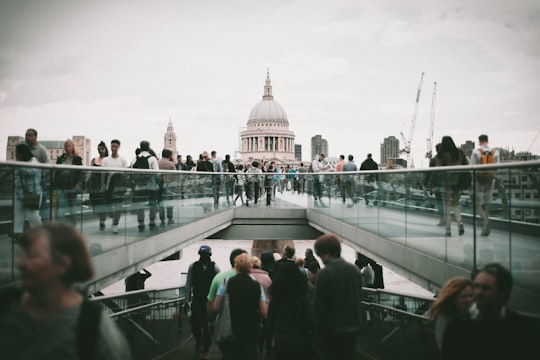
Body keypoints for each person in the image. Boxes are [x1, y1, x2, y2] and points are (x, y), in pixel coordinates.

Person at [0, 223, 130, 359]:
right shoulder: (6, 304)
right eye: (22, 255)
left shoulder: (93, 328)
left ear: (63, 264)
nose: (21, 263)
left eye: (33, 256)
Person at [442, 263, 537, 359]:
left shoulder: (520, 328)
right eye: (476, 286)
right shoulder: (457, 326)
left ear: (502, 292)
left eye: (486, 288)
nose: (479, 292)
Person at [313, 234, 364, 360]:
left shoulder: (325, 273)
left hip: (331, 330)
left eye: (320, 255)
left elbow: (318, 306)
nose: (321, 259)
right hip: (353, 328)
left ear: (326, 253)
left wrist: (314, 329)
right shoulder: (355, 271)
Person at [211, 253, 267, 360]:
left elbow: (216, 308)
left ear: (236, 266)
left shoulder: (226, 283)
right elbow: (264, 312)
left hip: (231, 329)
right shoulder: (257, 286)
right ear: (250, 267)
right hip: (251, 329)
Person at [268, 259, 317, 360]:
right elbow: (311, 321)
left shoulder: (276, 298)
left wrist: (268, 345)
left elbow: (270, 323)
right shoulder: (303, 296)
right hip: (300, 340)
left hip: (281, 340)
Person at [185, 245, 220, 359]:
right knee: (195, 324)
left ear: (210, 255)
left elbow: (220, 284)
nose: (203, 256)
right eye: (202, 254)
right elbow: (188, 284)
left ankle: (206, 348)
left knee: (207, 325)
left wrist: (218, 300)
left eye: (205, 254)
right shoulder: (193, 267)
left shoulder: (215, 267)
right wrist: (186, 300)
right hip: (197, 299)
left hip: (209, 300)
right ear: (199, 255)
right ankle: (198, 341)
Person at [429, 277, 473, 351]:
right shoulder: (445, 318)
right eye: (463, 296)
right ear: (453, 298)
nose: (469, 300)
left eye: (471, 295)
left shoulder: (468, 314)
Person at [437, 136, 468, 237]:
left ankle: (448, 230)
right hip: (458, 183)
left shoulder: (442, 154)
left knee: (446, 208)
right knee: (455, 205)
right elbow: (466, 166)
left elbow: (438, 169)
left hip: (445, 183)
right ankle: (460, 222)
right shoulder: (460, 153)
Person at [470, 134, 500, 236]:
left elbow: (472, 167)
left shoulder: (476, 151)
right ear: (487, 140)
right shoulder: (495, 152)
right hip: (491, 179)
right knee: (486, 204)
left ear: (479, 141)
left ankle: (485, 222)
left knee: (478, 205)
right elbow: (497, 167)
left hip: (479, 180)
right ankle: (484, 228)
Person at [13, 143, 42, 238]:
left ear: (22, 153)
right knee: (18, 217)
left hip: (31, 194)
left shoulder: (33, 161)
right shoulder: (19, 162)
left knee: (32, 217)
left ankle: (41, 236)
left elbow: (32, 171)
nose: (15, 154)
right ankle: (18, 235)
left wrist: (20, 167)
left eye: (17, 152)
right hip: (19, 194)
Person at [130, 140, 160, 232]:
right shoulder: (152, 159)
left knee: (140, 206)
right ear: (148, 147)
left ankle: (141, 225)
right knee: (152, 205)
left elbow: (131, 173)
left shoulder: (134, 159)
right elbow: (157, 174)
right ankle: (152, 223)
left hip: (138, 187)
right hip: (150, 186)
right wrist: (158, 184)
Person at [101, 139, 129, 234]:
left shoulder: (123, 160)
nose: (114, 148)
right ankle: (113, 219)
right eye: (112, 146)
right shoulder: (105, 160)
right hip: (109, 187)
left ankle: (114, 225)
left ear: (119, 147)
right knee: (109, 206)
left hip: (119, 188)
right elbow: (103, 174)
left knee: (119, 207)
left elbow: (126, 174)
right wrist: (103, 185)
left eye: (115, 147)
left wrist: (125, 186)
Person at [54, 139, 83, 225]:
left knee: (72, 207)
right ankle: (61, 226)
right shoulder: (60, 158)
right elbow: (56, 172)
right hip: (61, 186)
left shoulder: (77, 159)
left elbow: (80, 173)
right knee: (61, 207)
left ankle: (73, 226)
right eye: (66, 146)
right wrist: (55, 185)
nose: (67, 147)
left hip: (72, 186)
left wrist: (78, 184)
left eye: (69, 145)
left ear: (73, 147)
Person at [87, 141, 109, 230]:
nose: (100, 151)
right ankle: (101, 218)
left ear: (105, 149)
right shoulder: (93, 160)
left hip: (103, 186)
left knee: (102, 204)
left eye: (102, 149)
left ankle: (102, 221)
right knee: (95, 203)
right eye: (99, 149)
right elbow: (90, 173)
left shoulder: (108, 160)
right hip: (94, 186)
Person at [157, 149, 176, 226]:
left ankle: (162, 220)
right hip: (169, 186)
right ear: (169, 155)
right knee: (169, 203)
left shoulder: (157, 163)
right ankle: (170, 218)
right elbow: (175, 176)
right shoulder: (171, 164)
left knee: (161, 204)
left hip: (159, 186)